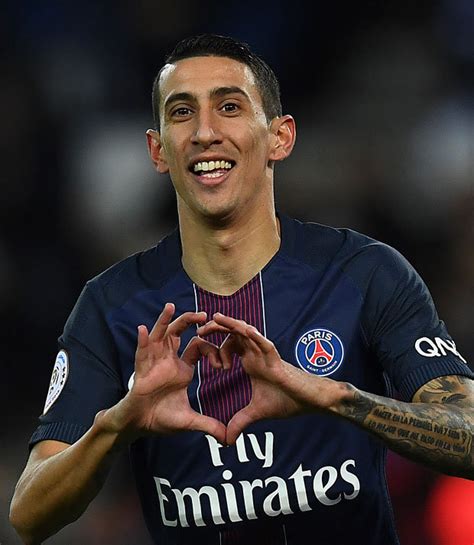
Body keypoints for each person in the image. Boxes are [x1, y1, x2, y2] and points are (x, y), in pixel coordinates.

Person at [10, 34, 473, 545]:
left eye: (229, 106)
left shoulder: (365, 273)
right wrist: (118, 425)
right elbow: (28, 514)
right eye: (182, 112)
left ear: (280, 137)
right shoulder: (112, 306)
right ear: (157, 149)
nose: (205, 131)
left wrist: (338, 399)